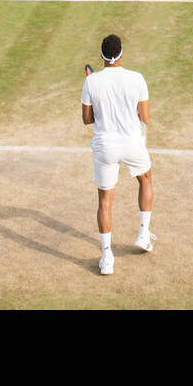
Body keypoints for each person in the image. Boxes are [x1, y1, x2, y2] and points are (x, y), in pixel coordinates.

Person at [80, 34, 153, 277]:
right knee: (146, 179)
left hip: (105, 147)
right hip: (132, 143)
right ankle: (144, 233)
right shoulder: (137, 78)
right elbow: (145, 118)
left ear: (102, 56)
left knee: (104, 201)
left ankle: (107, 257)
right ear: (121, 54)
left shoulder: (91, 82)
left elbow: (87, 119)